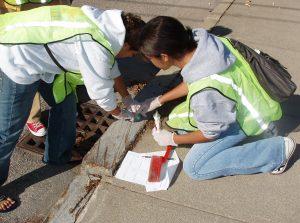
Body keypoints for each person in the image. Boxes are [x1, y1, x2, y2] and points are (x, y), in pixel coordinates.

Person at [0, 5, 144, 212]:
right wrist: (121, 113)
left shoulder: (106, 28)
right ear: (126, 44)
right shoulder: (96, 43)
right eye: (131, 53)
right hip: (17, 57)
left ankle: (59, 155)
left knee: (66, 102)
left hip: (39, 55)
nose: (129, 57)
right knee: (7, 132)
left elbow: (112, 70)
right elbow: (100, 92)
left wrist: (126, 98)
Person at [137, 16, 297, 182]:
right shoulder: (208, 45)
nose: (150, 62)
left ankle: (276, 152)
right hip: (256, 97)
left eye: (150, 58)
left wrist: (172, 139)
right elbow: (194, 82)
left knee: (195, 167)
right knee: (183, 124)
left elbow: (211, 133)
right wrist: (159, 100)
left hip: (250, 118)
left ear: (164, 57)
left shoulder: (205, 90)